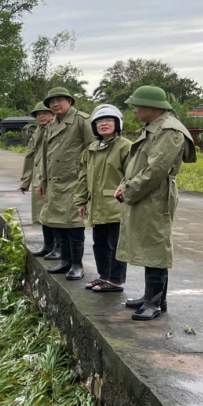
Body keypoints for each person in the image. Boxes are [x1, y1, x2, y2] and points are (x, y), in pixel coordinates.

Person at [115, 85, 196, 321]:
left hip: (155, 195)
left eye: (138, 105)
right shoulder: (155, 127)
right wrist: (124, 184)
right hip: (146, 193)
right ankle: (151, 297)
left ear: (153, 107)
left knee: (156, 245)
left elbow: (156, 170)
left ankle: (155, 302)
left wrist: (128, 190)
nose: (135, 110)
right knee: (147, 243)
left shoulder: (170, 131)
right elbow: (137, 162)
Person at [73, 104, 131, 292]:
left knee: (115, 245)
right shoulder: (91, 148)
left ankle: (116, 281)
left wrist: (124, 193)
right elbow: (83, 176)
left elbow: (131, 175)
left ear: (118, 123)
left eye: (108, 120)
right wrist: (81, 200)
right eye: (99, 121)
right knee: (99, 243)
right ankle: (104, 276)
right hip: (97, 205)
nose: (104, 124)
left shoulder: (126, 147)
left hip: (116, 205)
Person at [38, 87, 94, 280]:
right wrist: (43, 180)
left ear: (70, 101)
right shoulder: (51, 124)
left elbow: (93, 150)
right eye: (52, 101)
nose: (55, 104)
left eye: (60, 100)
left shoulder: (82, 121)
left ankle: (77, 265)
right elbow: (47, 156)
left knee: (74, 224)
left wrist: (90, 182)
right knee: (58, 222)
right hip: (55, 183)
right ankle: (65, 261)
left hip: (75, 182)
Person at [20, 102, 57, 256]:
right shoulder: (37, 132)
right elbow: (30, 157)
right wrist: (25, 181)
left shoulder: (57, 129)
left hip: (54, 178)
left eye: (45, 112)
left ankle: (58, 248)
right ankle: (48, 246)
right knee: (42, 215)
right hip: (39, 178)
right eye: (38, 113)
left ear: (53, 113)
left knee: (55, 215)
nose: (41, 116)